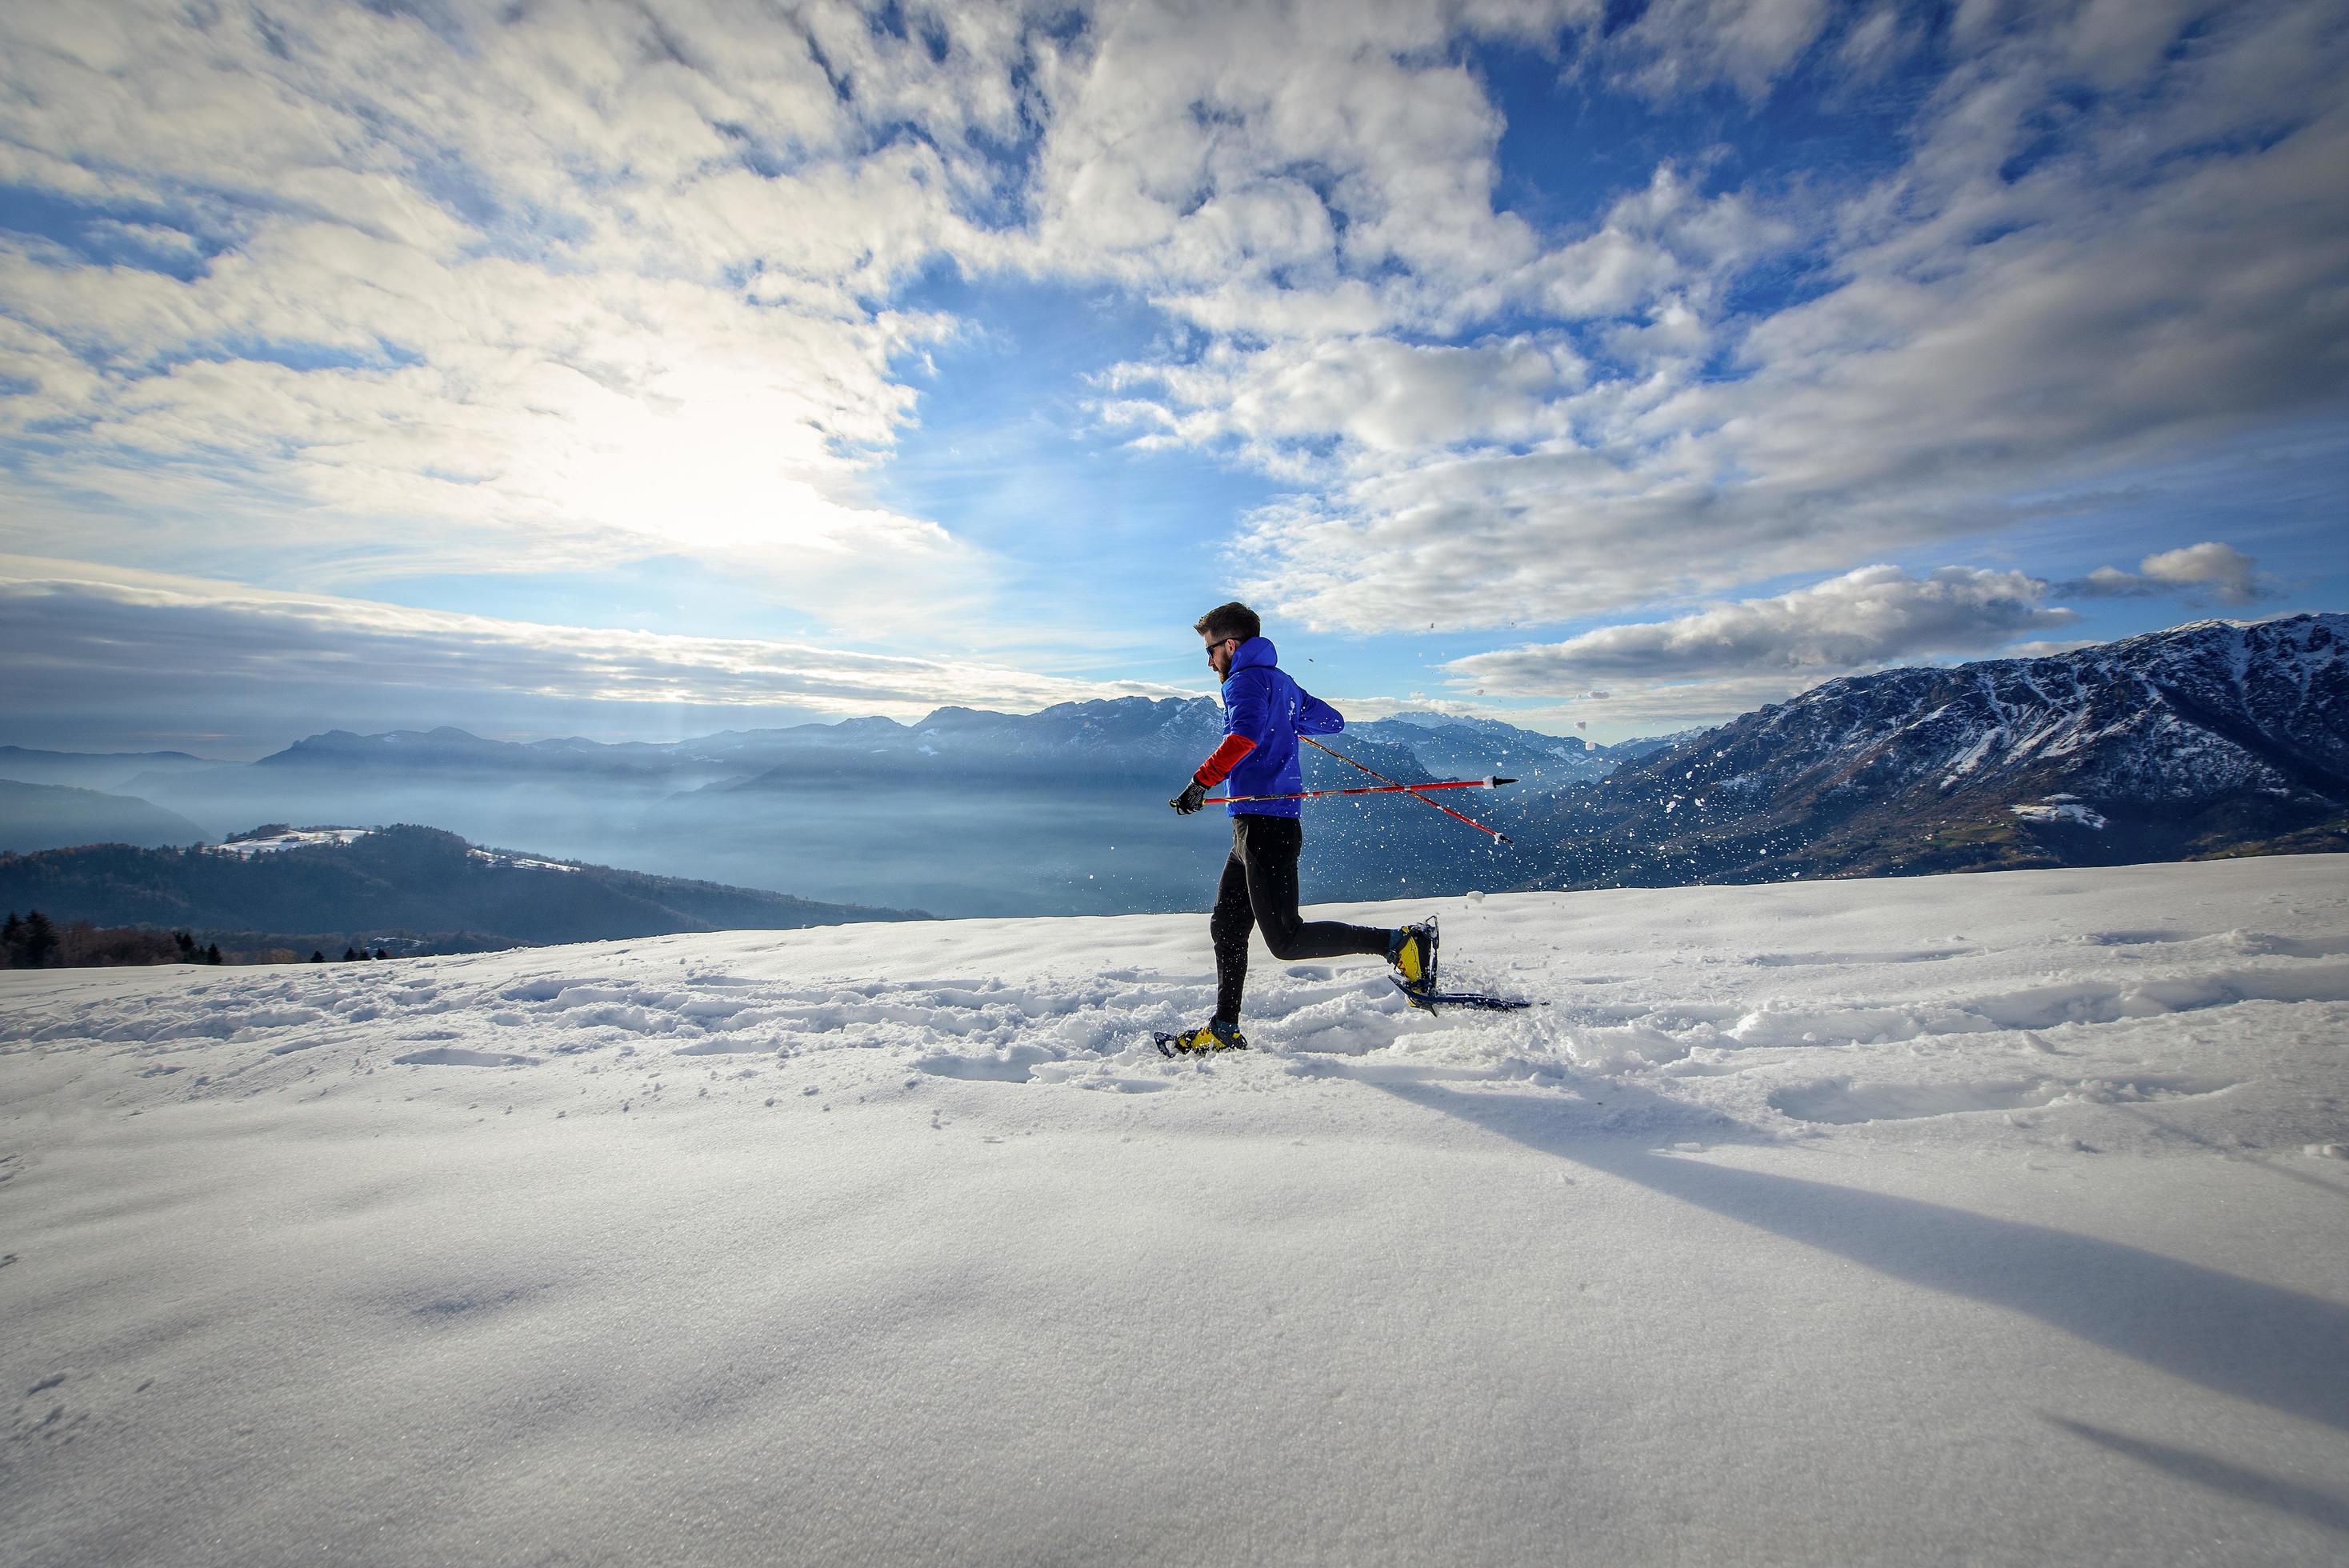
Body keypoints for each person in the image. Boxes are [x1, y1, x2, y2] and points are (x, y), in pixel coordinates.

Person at [1164, 602, 1435, 1053]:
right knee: (1227, 926)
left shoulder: (1242, 681)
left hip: (1265, 827)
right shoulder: (1281, 682)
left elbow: (1244, 737)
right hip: (1256, 826)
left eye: (1210, 650)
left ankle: (1400, 943)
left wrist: (1200, 782)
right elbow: (1332, 721)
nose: (1208, 661)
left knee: (1286, 939)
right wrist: (1288, 718)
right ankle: (1225, 1028)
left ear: (1230, 645)